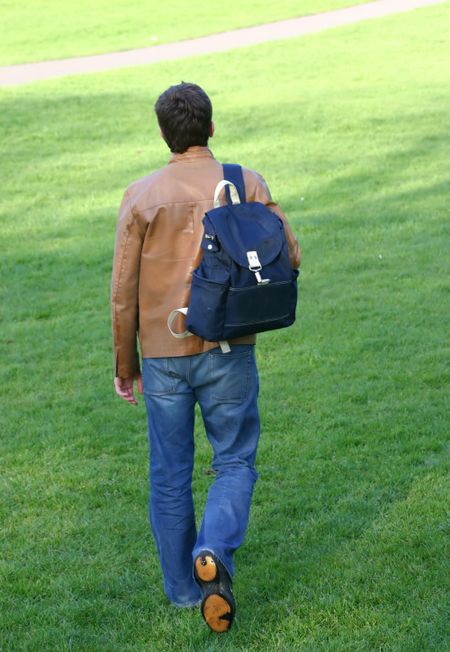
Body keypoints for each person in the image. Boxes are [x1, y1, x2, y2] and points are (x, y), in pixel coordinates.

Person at [111, 82, 301, 633]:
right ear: (211, 128)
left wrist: (127, 366)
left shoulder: (141, 194)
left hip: (164, 356)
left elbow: (123, 291)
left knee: (170, 474)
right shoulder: (246, 182)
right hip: (230, 346)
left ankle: (184, 592)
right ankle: (214, 547)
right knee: (235, 461)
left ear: (165, 136)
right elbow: (288, 252)